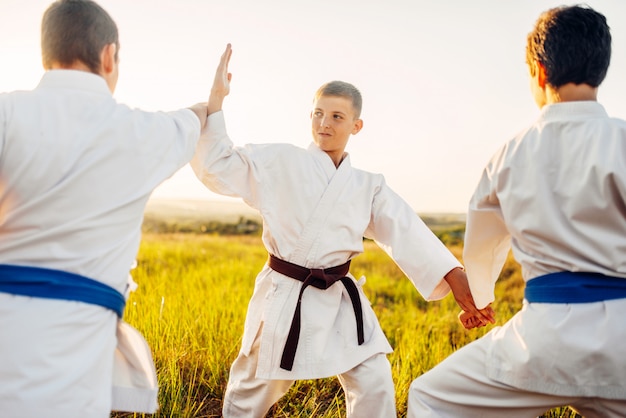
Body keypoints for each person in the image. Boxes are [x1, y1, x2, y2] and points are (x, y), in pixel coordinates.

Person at [191, 44, 493, 417]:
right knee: (253, 390)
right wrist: (216, 101)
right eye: (318, 113)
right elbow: (220, 165)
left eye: (336, 116)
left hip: (340, 300)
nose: (324, 124)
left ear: (356, 125)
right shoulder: (281, 161)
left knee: (374, 380)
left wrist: (456, 277)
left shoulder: (368, 185)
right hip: (287, 296)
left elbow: (405, 230)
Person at [408, 5, 626, 417]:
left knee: (429, 397)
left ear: (539, 73)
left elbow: (483, 243)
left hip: (543, 341)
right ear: (602, 68)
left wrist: (482, 298)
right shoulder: (621, 140)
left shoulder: (508, 155)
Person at [0, 1, 210, 416]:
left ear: (46, 52)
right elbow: (192, 119)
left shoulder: (6, 112)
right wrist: (212, 100)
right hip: (77, 351)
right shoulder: (143, 131)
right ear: (109, 55)